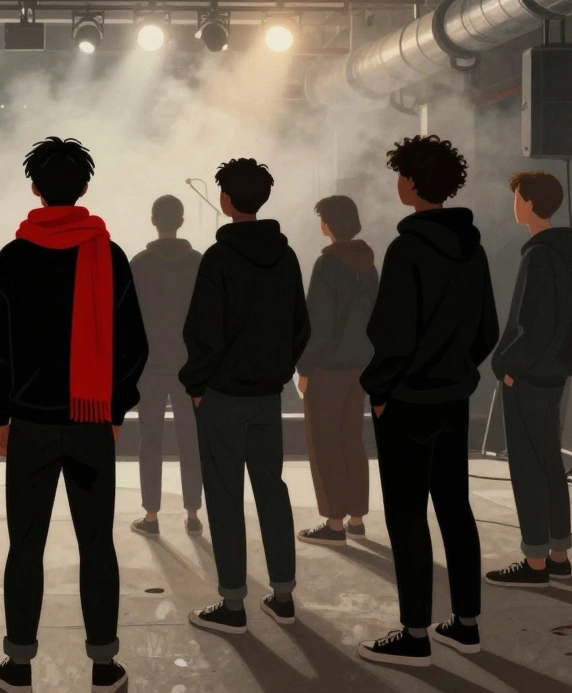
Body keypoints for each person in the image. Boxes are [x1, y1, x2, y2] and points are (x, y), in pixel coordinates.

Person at [0, 137, 145, 693]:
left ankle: (19, 664)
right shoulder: (109, 253)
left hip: (30, 422)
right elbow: (132, 344)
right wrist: (115, 408)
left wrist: (1, 412)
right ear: (84, 189)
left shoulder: (13, 256)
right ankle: (104, 664)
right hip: (93, 422)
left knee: (26, 542)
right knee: (98, 541)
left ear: (35, 188)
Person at [357, 135, 499, 667]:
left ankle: (414, 635)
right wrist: (458, 371)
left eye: (401, 176)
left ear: (414, 183)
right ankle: (466, 626)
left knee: (407, 517)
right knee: (456, 510)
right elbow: (488, 328)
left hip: (407, 402)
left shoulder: (407, 248)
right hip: (453, 400)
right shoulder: (475, 249)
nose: (397, 184)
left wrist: (381, 391)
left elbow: (391, 334)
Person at [180, 158, 310, 636]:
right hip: (267, 395)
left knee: (224, 495)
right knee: (271, 489)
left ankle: (233, 605)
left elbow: (202, 331)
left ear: (227, 200)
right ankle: (283, 595)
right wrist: (276, 371)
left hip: (221, 395)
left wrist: (197, 385)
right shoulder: (288, 256)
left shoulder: (218, 258)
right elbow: (301, 327)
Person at [486, 172, 572, 588]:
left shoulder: (538, 255)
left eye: (517, 198)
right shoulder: (561, 254)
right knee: (549, 464)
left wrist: (509, 367)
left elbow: (531, 323)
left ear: (528, 203)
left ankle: (535, 563)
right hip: (552, 376)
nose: (514, 205)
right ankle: (558, 553)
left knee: (528, 467)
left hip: (528, 378)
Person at [295, 195, 378, 547]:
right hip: (360, 366)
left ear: (328, 224)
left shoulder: (327, 265)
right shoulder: (369, 264)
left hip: (328, 369)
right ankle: (357, 517)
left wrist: (304, 367)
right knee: (351, 440)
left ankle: (334, 523)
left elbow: (318, 323)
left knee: (325, 443)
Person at [129, 194, 204, 538]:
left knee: (151, 441)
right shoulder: (198, 262)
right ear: (182, 221)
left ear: (153, 221)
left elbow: (129, 317)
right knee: (191, 439)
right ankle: (192, 513)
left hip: (150, 367)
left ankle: (151, 516)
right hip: (189, 367)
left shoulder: (140, 263)